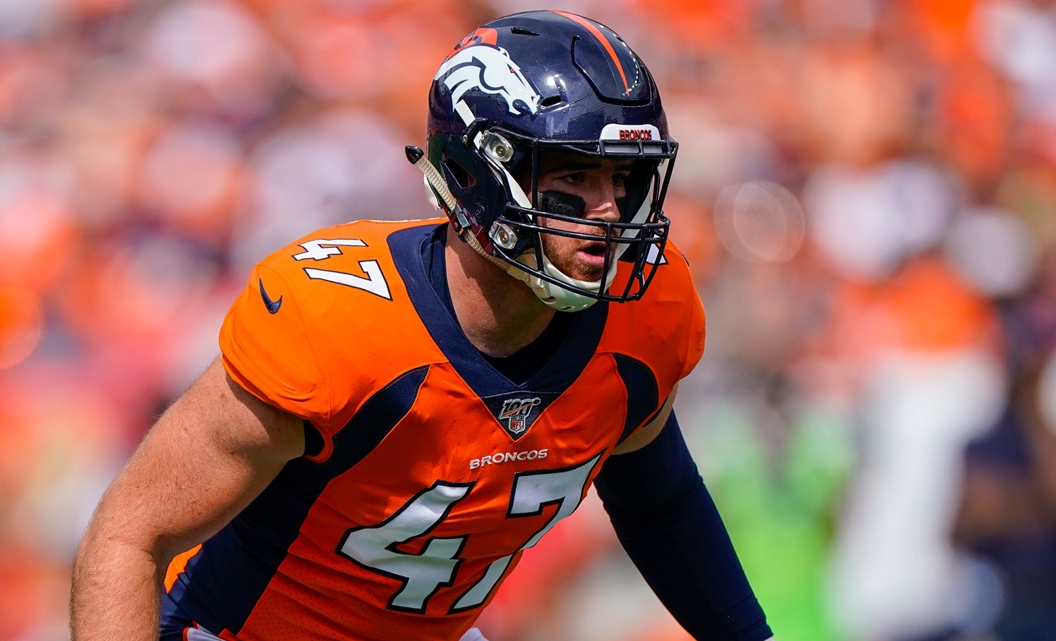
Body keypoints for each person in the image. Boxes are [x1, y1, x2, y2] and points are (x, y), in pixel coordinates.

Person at [70, 10, 773, 641]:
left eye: (623, 181)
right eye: (574, 179)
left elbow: (659, 497)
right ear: (475, 175)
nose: (611, 214)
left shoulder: (642, 316)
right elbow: (130, 534)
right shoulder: (341, 323)